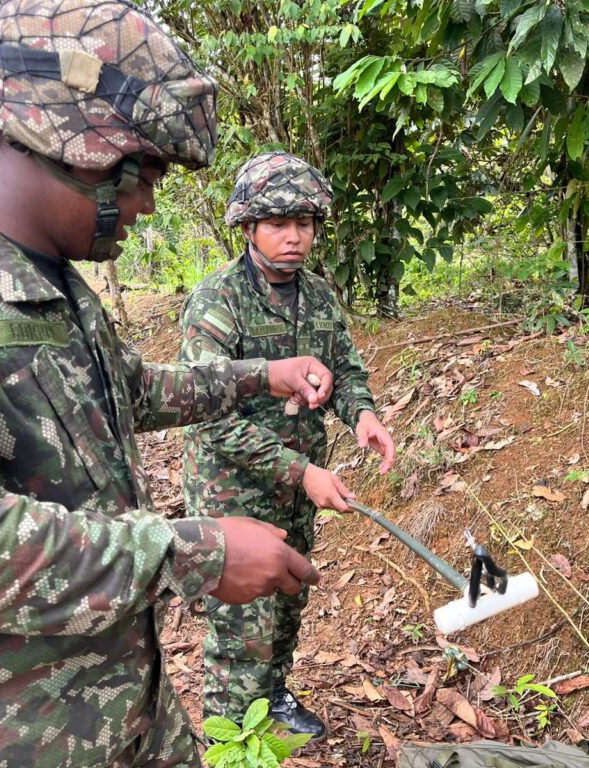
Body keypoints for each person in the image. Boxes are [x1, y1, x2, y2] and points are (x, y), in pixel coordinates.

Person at [0, 3, 335, 766]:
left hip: (123, 708)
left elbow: (129, 394)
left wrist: (262, 375)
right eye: (147, 176)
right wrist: (192, 554)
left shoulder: (52, 284)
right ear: (78, 145)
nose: (149, 204)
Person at [179, 151, 396, 739]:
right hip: (234, 488)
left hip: (300, 483)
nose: (294, 237)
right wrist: (301, 473)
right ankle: (231, 736)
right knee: (241, 618)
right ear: (248, 227)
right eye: (278, 223)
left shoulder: (318, 295)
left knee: (289, 592)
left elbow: (344, 368)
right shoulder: (217, 301)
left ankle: (272, 697)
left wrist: (363, 415)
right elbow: (207, 418)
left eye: (304, 223)